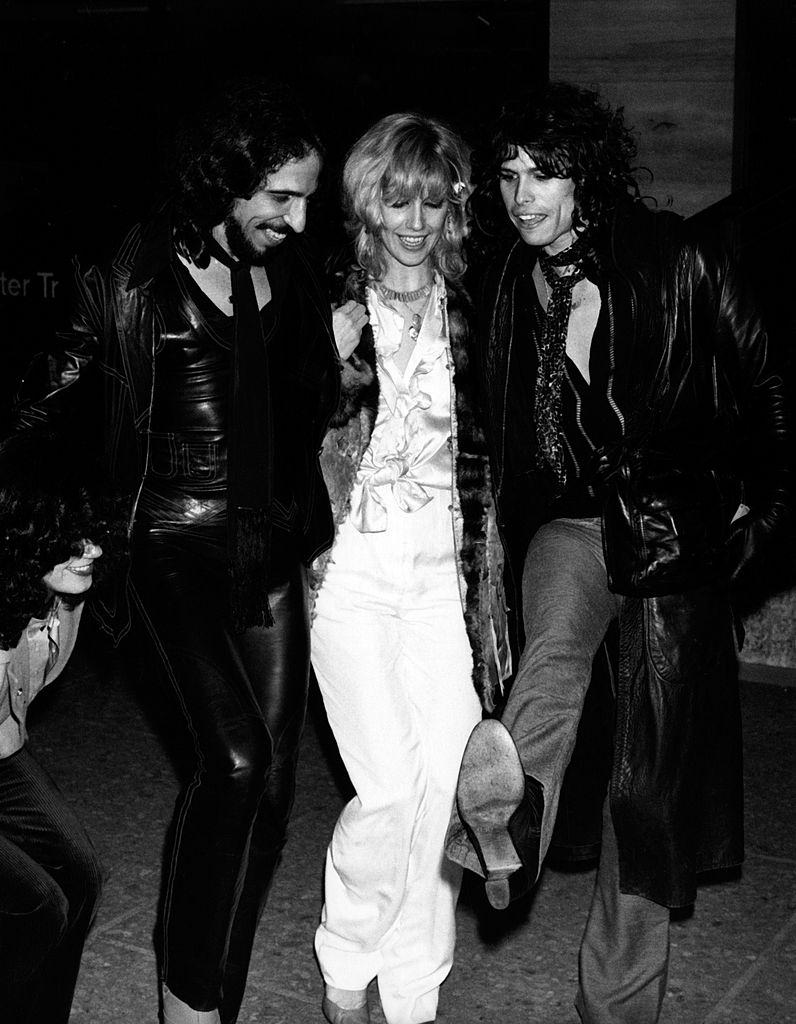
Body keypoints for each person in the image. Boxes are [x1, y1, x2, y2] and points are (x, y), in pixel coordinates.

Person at [445, 83, 791, 1024]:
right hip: (570, 523)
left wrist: (755, 532)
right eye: (509, 175)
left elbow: (768, 390)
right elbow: (488, 421)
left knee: (649, 779)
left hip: (673, 533)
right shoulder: (512, 281)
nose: (521, 195)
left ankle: (619, 1007)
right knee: (552, 651)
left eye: (543, 173)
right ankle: (510, 815)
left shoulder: (676, 259)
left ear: (585, 175)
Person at [13, 80, 342, 1024]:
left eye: (307, 196)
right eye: (279, 195)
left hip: (262, 547)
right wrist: (45, 528)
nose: (296, 216)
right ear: (224, 181)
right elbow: (46, 407)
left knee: (270, 795)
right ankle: (188, 1006)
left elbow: (304, 400)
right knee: (234, 762)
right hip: (163, 541)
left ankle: (206, 994)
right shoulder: (136, 279)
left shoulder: (298, 275)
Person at [309, 112, 510, 1024]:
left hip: (441, 582)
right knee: (389, 787)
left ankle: (415, 991)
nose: (416, 220)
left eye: (433, 200)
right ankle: (346, 955)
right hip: (348, 577)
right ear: (368, 202)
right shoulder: (329, 307)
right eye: (398, 199)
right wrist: (327, 361)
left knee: (449, 783)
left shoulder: (471, 314)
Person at [0, 432, 122, 1024]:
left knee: (81, 875)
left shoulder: (65, 599)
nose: (92, 548)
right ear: (28, 529)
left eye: (97, 527)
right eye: (72, 531)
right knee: (36, 904)